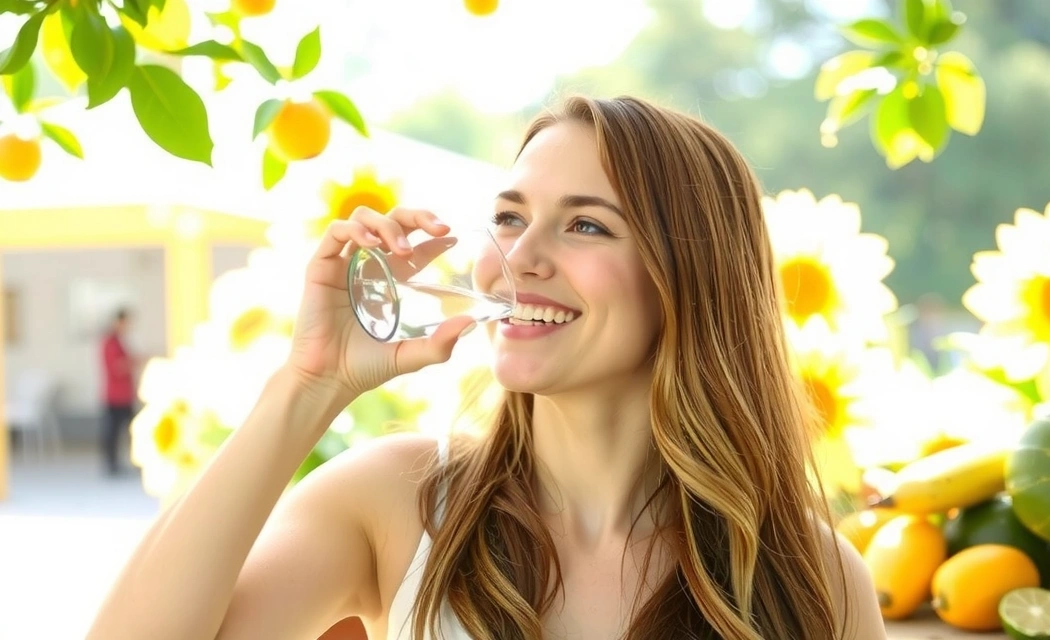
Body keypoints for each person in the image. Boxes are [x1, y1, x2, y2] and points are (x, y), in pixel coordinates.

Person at [87, 96, 886, 639]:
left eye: (586, 225)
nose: (519, 257)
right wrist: (308, 386)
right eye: (509, 217)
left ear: (693, 277)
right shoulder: (399, 502)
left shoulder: (812, 577)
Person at [99, 306, 137, 475]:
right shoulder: (110, 342)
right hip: (115, 395)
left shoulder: (119, 341)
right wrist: (134, 361)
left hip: (125, 394)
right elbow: (117, 367)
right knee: (113, 432)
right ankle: (111, 464)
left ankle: (129, 461)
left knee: (130, 429)